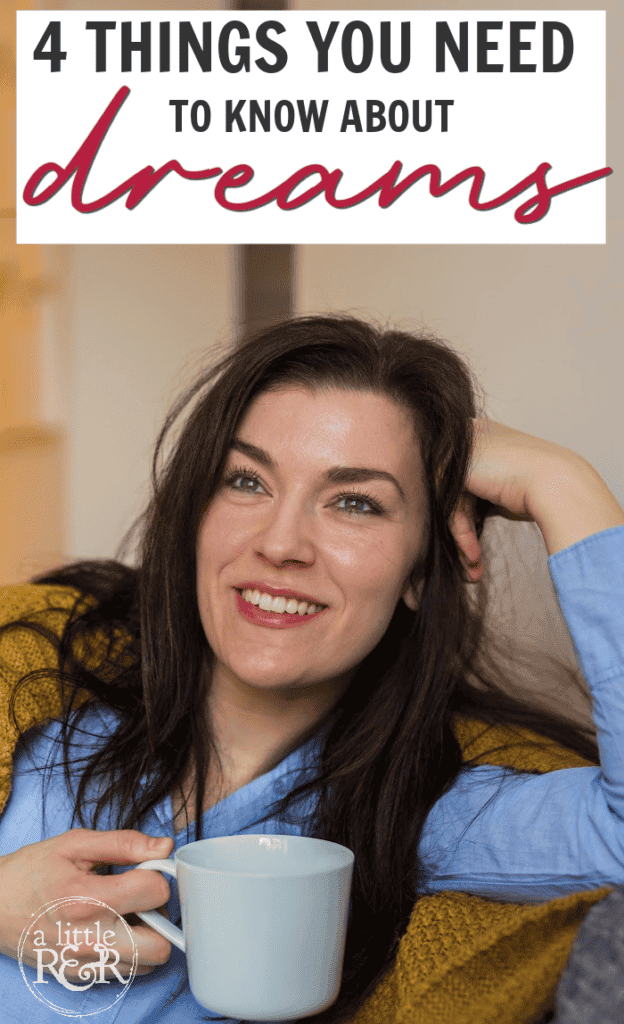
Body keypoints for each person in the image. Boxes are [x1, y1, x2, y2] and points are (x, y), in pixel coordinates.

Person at [0, 314, 622, 1024]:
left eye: (354, 502)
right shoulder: (30, 696)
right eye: (246, 482)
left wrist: (562, 483)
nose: (281, 543)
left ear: (422, 571)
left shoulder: (425, 814)